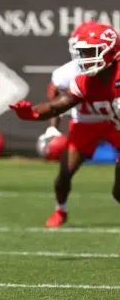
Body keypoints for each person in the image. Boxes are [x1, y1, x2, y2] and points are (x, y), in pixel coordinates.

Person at [10, 21, 120, 227]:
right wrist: (33, 114)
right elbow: (58, 105)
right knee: (73, 174)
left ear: (110, 51)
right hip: (87, 122)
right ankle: (60, 210)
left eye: (90, 52)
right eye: (83, 53)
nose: (85, 59)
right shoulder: (82, 80)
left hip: (114, 126)